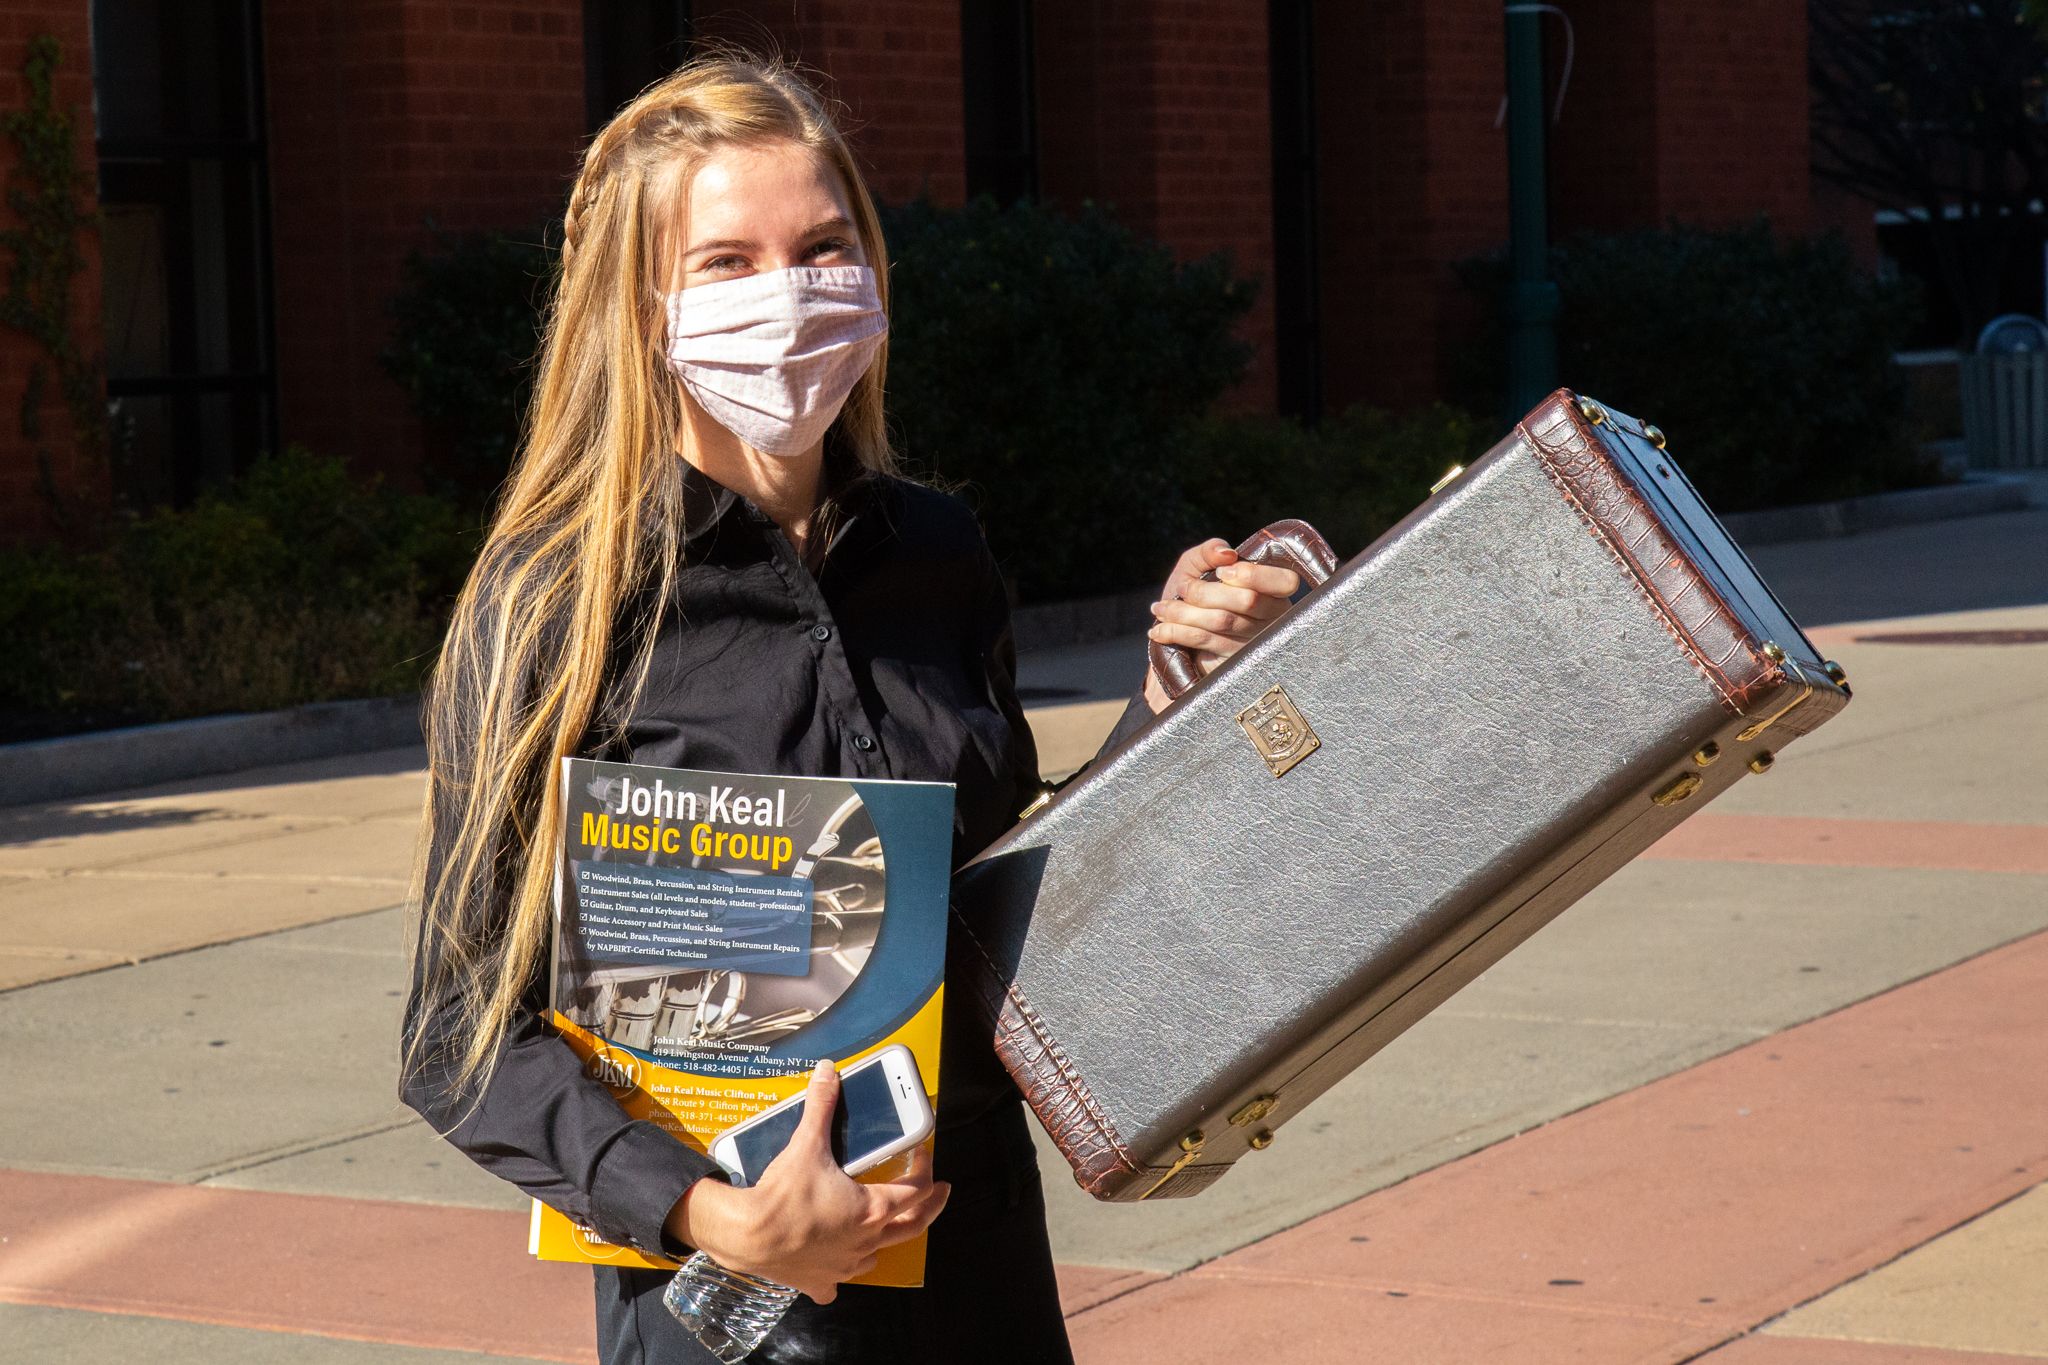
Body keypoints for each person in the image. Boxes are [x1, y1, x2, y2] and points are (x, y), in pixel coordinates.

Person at [397, 48, 1302, 1365]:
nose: (789, 298)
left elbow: (1002, 918)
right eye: (728, 262)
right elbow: (457, 1035)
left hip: (979, 1275)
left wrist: (1179, 691)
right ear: (644, 306)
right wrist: (714, 1213)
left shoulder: (938, 555)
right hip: (725, 1319)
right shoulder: (560, 607)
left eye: (823, 248)